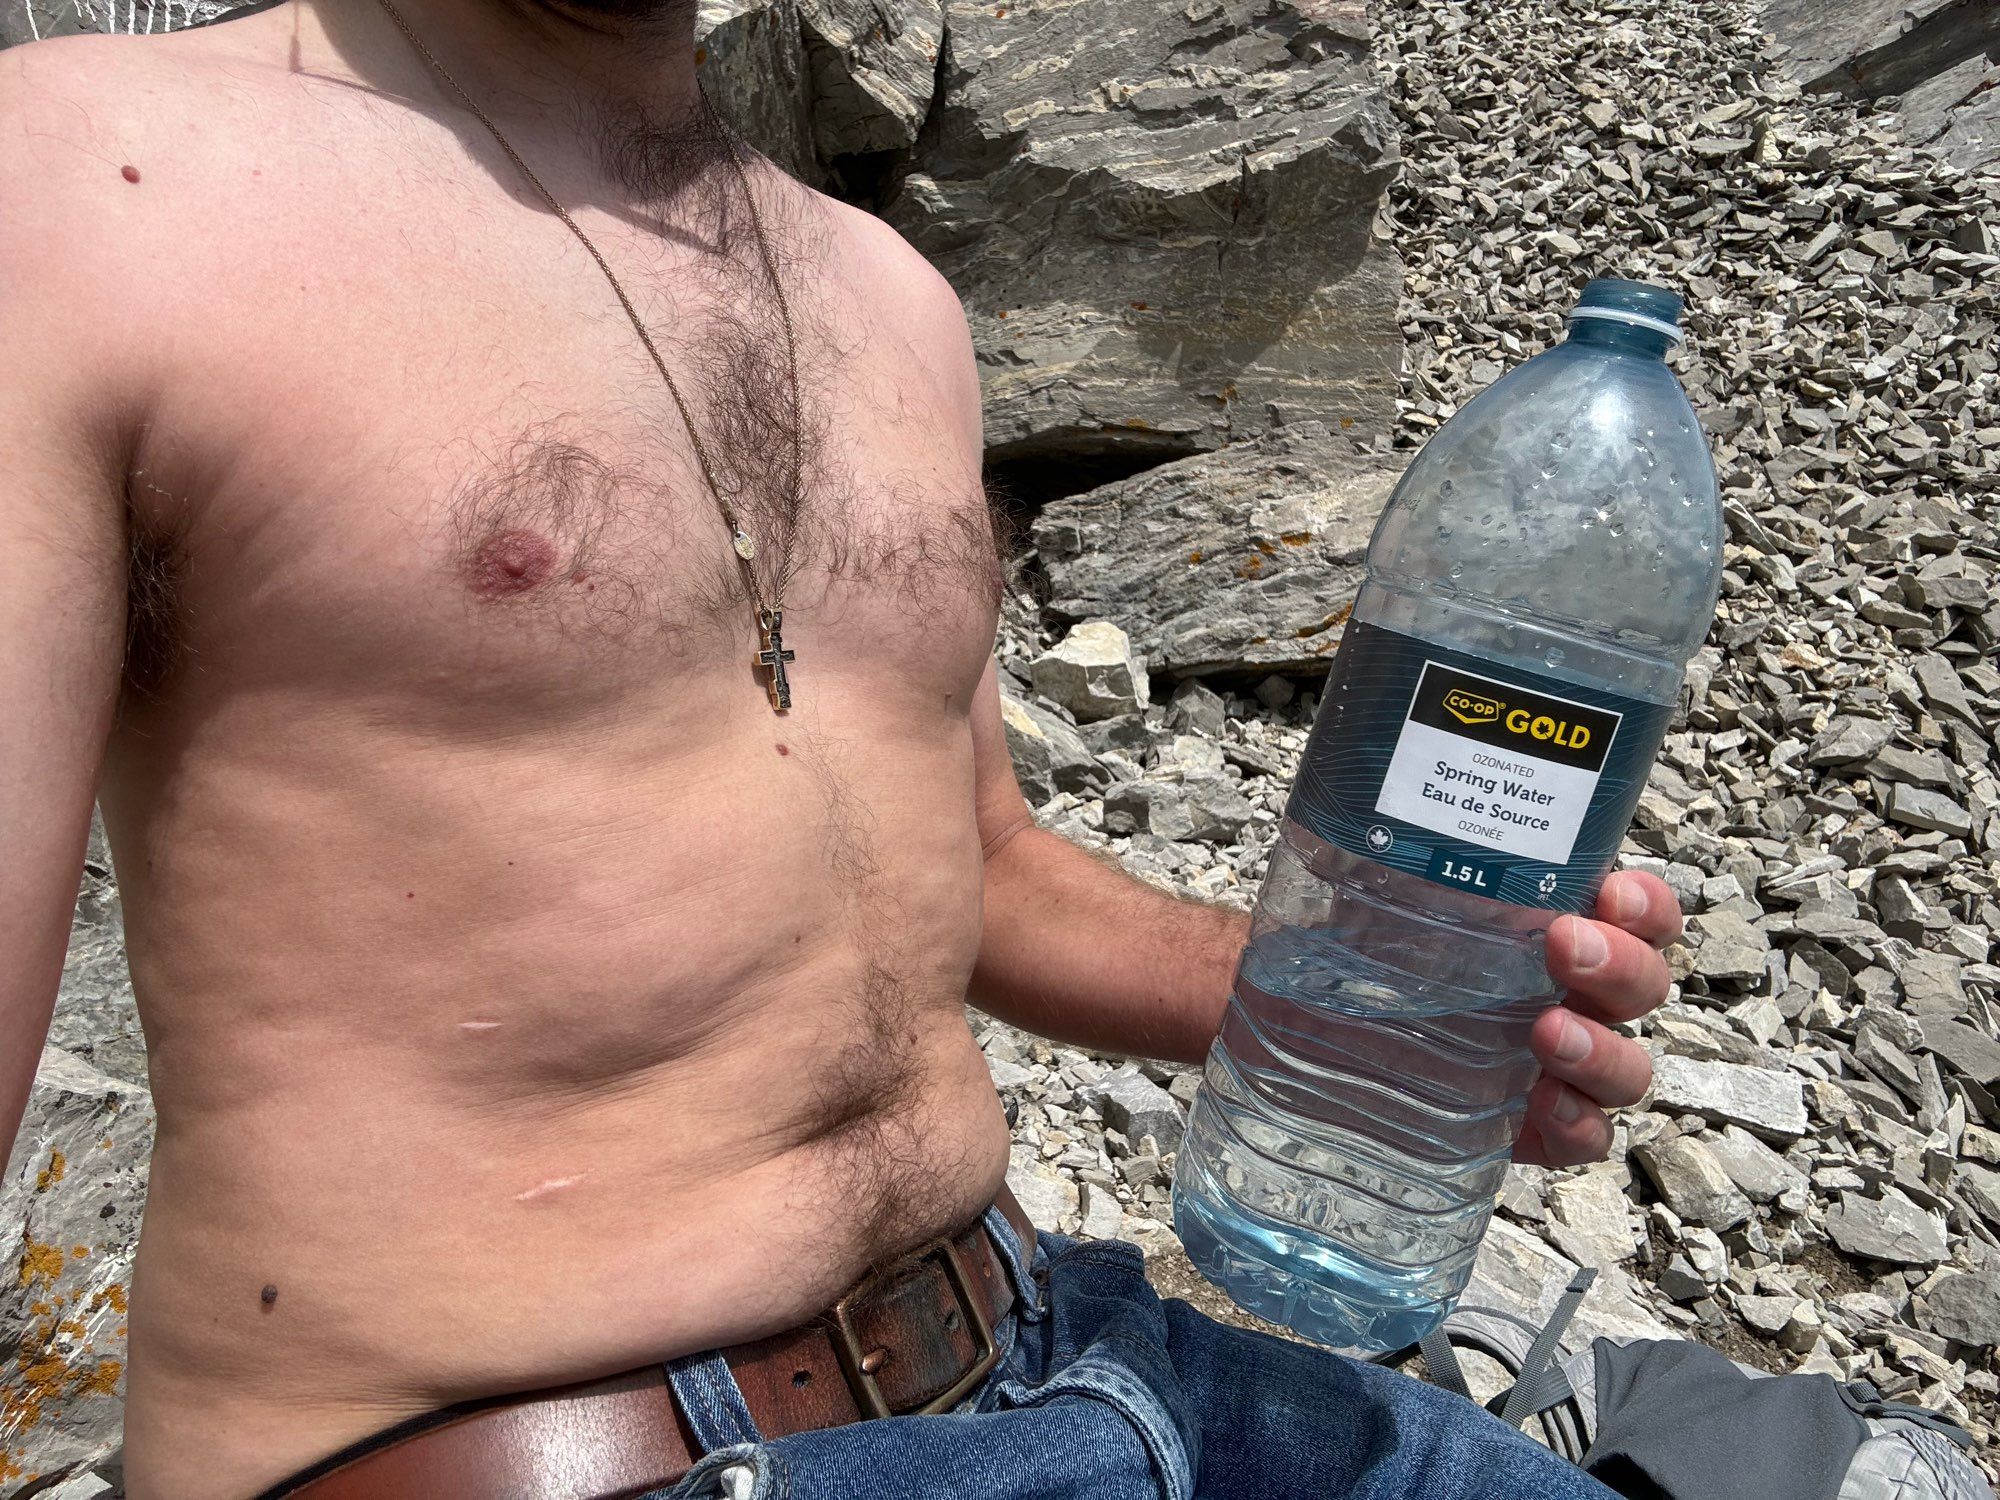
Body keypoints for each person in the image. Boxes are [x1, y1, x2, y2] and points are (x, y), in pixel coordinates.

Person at [0, 0, 1682, 1493]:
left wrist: (1377, 1009)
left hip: (1071, 1355)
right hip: (529, 1447)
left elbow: (992, 869)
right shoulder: (88, 181)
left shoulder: (890, 297)